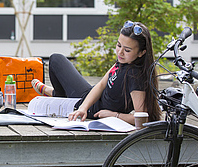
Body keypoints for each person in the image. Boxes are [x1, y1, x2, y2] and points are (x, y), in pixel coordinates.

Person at [31, 21, 161, 125]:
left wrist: (114, 115)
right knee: (56, 58)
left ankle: (56, 94)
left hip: (91, 108)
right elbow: (100, 85)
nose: (120, 52)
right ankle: (55, 93)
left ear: (141, 53)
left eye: (127, 50)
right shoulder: (124, 62)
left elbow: (143, 118)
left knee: (56, 60)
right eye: (118, 45)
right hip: (88, 97)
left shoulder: (135, 76)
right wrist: (83, 107)